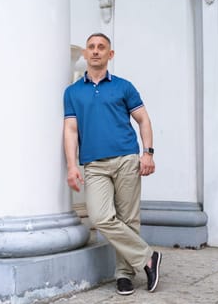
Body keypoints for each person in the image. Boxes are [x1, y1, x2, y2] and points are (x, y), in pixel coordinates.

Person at [63, 32, 162, 295]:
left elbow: (143, 119)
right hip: (94, 164)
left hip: (126, 158)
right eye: (91, 47)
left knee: (129, 220)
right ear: (85, 54)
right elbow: (71, 130)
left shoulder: (124, 86)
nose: (95, 51)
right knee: (101, 217)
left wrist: (148, 153)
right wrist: (72, 165)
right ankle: (147, 257)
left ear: (110, 54)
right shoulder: (72, 92)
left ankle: (124, 275)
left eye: (101, 47)